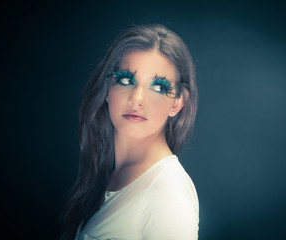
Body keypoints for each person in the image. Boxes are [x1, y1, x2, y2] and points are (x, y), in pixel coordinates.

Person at [59, 24, 199, 240]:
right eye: (126, 80)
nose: (137, 99)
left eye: (159, 86)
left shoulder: (169, 192)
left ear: (177, 103)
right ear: (107, 90)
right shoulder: (107, 173)